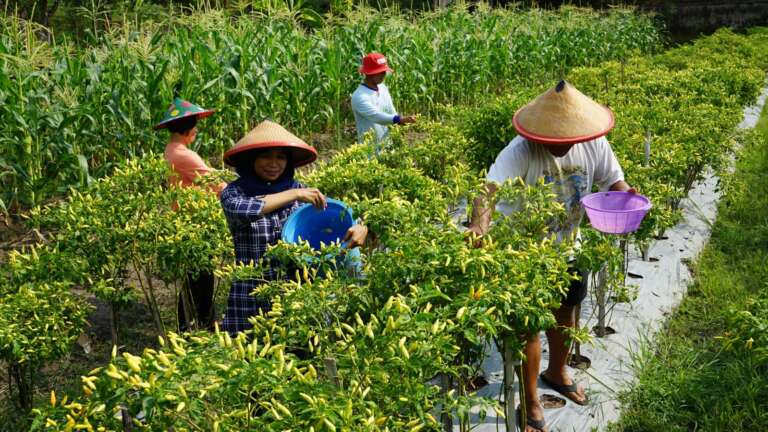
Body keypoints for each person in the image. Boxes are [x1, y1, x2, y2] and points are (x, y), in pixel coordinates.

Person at [467, 80, 635, 432]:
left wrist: (626, 198)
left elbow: (613, 180)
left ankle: (557, 371)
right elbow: (486, 192)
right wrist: (479, 229)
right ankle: (531, 401)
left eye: (565, 140)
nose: (558, 146)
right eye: (552, 140)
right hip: (523, 253)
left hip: (567, 247)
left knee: (566, 313)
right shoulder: (519, 151)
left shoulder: (594, 143)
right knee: (528, 325)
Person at [219, 120, 369, 335]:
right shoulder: (235, 193)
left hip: (295, 295)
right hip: (252, 294)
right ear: (251, 159)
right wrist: (295, 194)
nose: (274, 163)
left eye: (280, 157)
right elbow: (245, 210)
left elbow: (335, 216)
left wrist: (360, 226)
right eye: (266, 156)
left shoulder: (300, 191)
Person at [155, 97, 226, 332]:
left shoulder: (171, 150)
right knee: (201, 276)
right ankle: (201, 324)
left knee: (195, 277)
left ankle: (191, 324)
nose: (196, 130)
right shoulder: (184, 154)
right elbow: (215, 183)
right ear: (187, 128)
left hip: (184, 218)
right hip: (195, 221)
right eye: (195, 125)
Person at [351, 52, 417, 151]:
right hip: (370, 152)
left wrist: (400, 124)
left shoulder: (382, 88)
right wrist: (398, 120)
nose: (384, 74)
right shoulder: (359, 96)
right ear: (369, 73)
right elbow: (376, 116)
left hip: (388, 147)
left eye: (384, 71)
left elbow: (391, 110)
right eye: (380, 72)